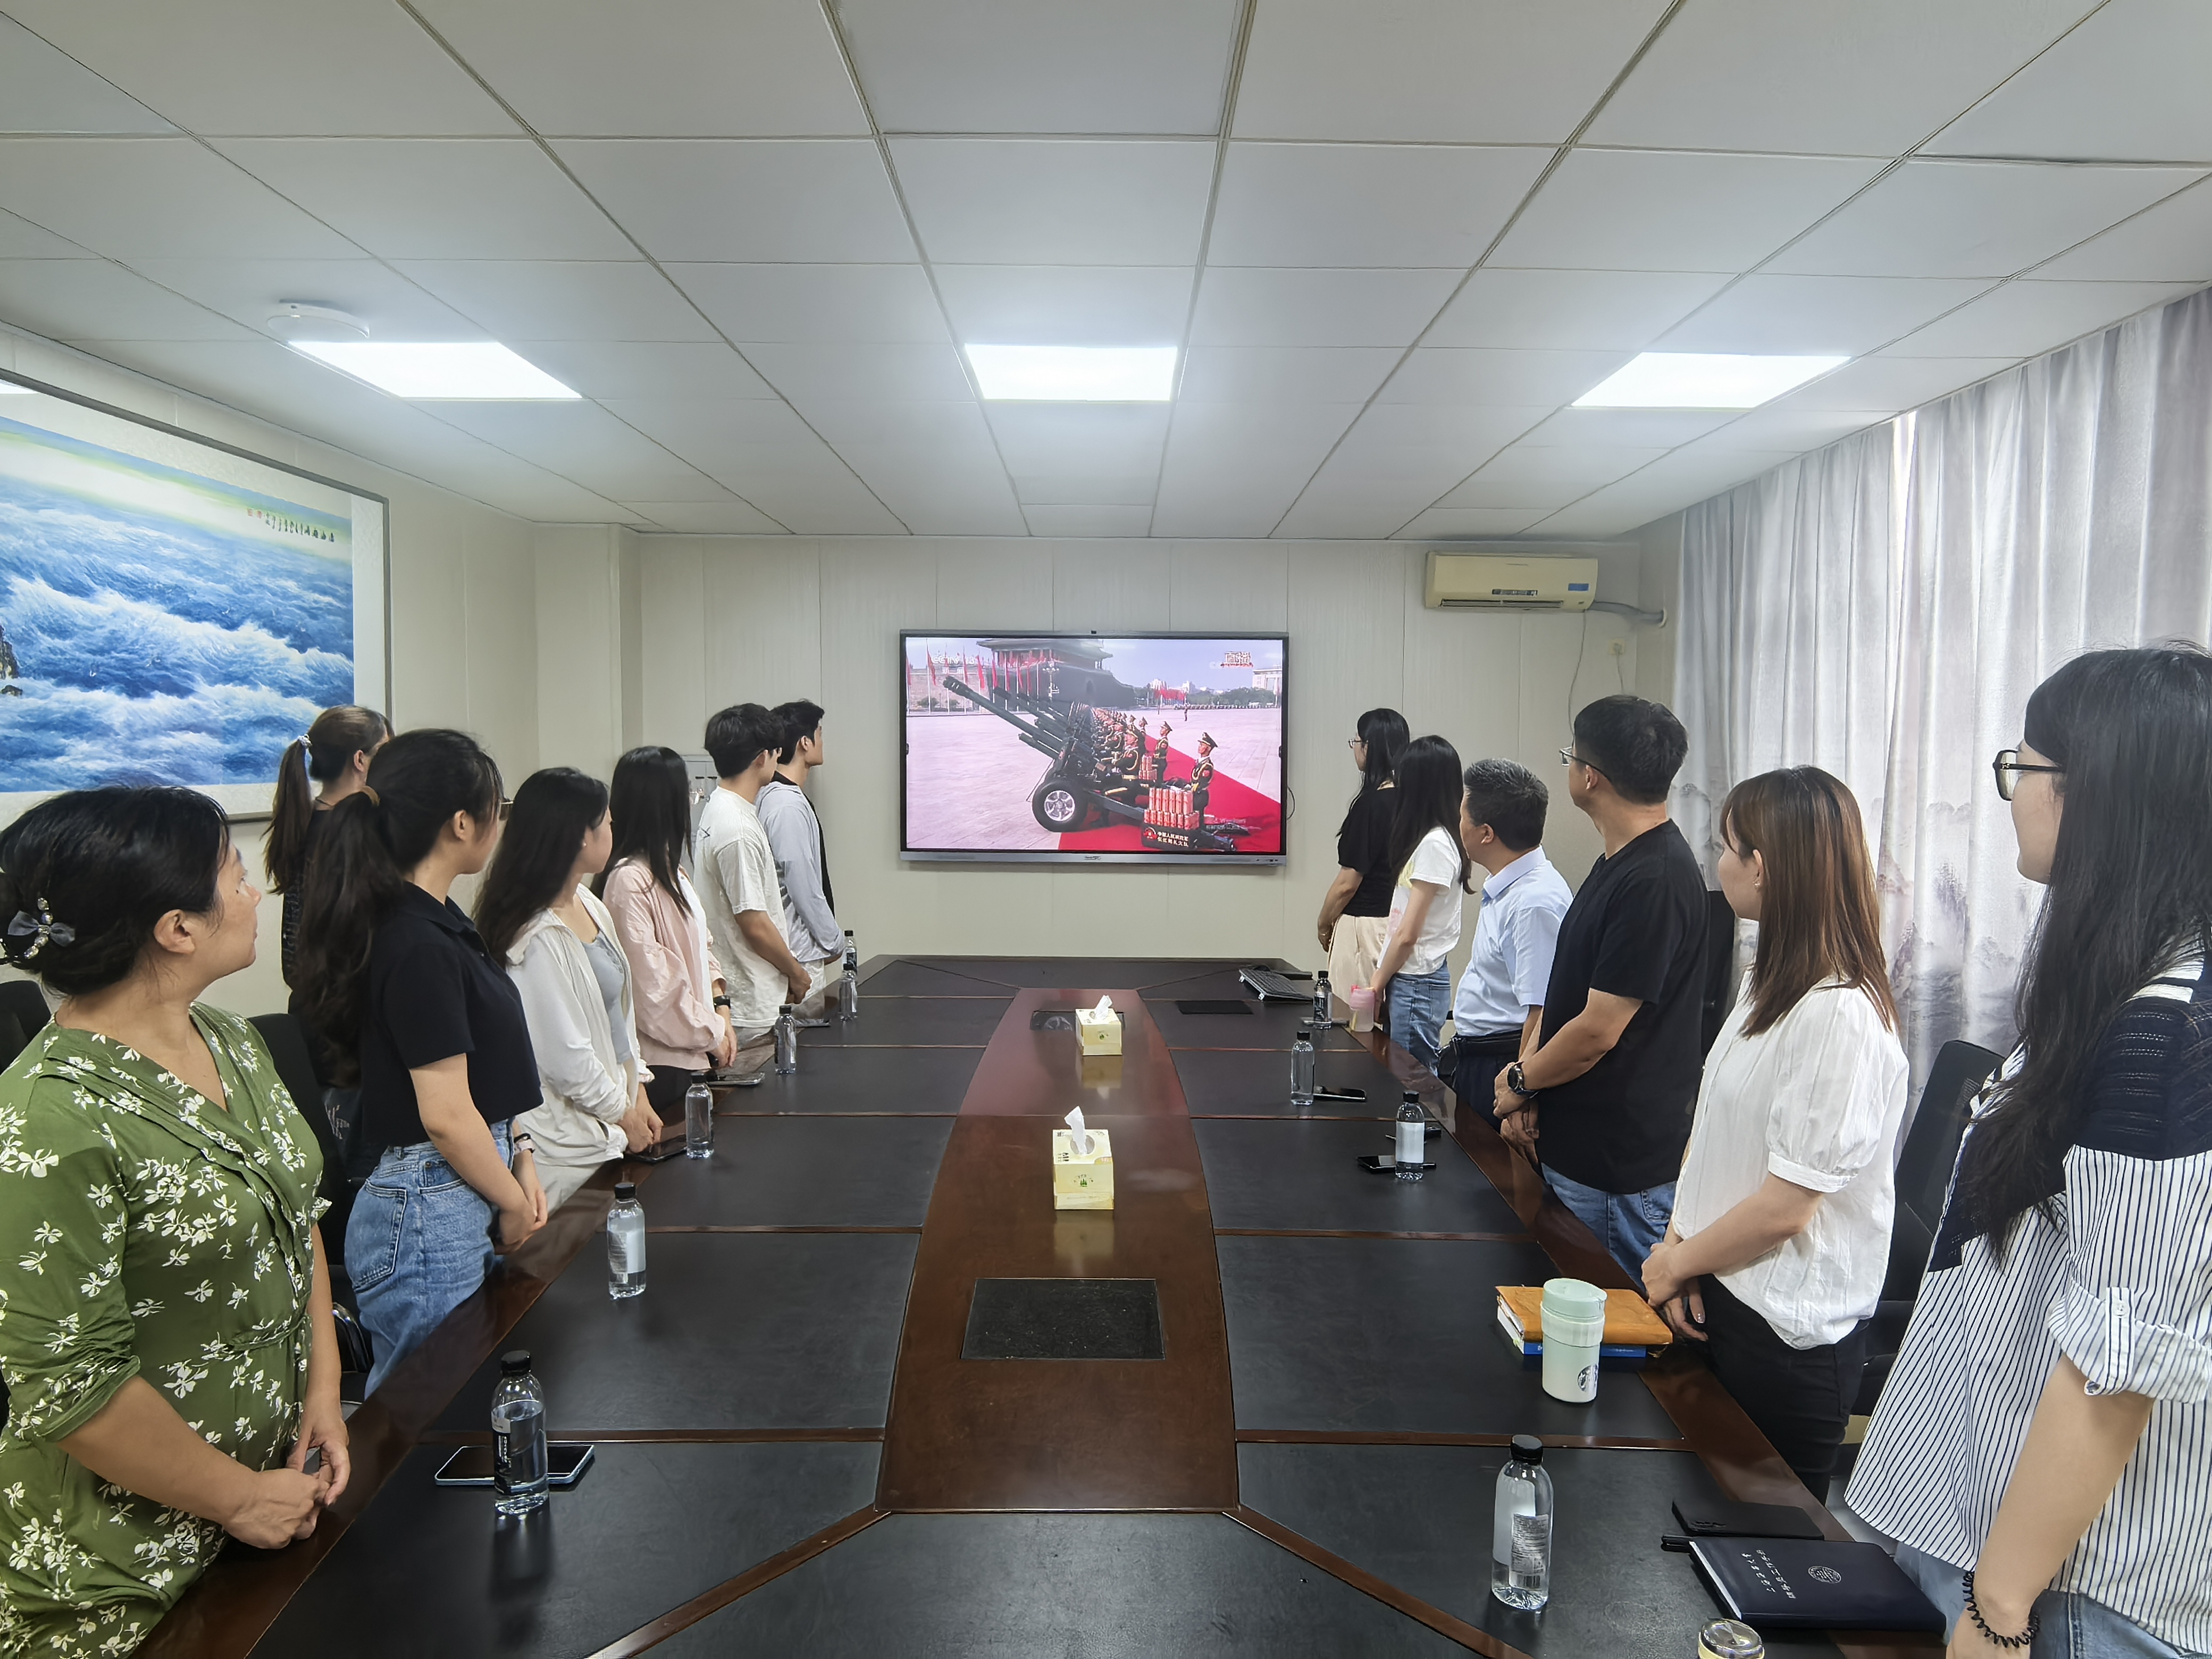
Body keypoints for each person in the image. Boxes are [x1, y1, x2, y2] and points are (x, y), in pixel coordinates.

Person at [1850, 645, 2212, 1658]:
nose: (2013, 793)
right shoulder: (2128, 994)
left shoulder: (2168, 1032)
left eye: (2026, 765)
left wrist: (1997, 1613)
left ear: (2099, 793)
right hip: (2001, 1531)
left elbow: (2118, 1366)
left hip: (2068, 1591)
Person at [0, 788, 349, 1651]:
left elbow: (294, 1215)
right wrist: (237, 1498)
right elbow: (71, 1386)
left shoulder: (233, 1042)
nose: (256, 892)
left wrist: (324, 1393)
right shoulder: (48, 1117)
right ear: (176, 929)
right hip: (124, 1573)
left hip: (276, 1501)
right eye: (236, 874)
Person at [1640, 767, 1907, 1500]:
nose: (1717, 863)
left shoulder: (1838, 1013)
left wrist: (1674, 1263)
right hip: (1717, 1288)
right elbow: (1718, 1133)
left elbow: (1788, 1207)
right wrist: (1679, 1248)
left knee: (1765, 1556)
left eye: (1727, 847)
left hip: (1782, 1339)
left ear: (1762, 865)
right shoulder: (1769, 978)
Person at [294, 730, 546, 1394]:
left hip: (458, 1184)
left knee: (459, 1402)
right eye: (498, 805)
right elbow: (444, 1114)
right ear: (462, 823)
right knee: (426, 1421)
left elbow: (481, 1084)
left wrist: (519, 1150)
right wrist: (513, 1199)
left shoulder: (437, 921)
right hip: (428, 1207)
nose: (501, 820)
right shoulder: (414, 940)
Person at [1494, 695, 1707, 1277]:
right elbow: (1568, 992)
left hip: (1617, 1164)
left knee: (1615, 1330)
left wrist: (1519, 1080)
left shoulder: (1654, 879)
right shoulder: (1619, 860)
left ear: (1589, 776)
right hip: (1580, 1143)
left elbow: (1596, 1030)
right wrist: (1536, 1088)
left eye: (1570, 757)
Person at [475, 768, 661, 1211]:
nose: (614, 829)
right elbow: (566, 1058)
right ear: (581, 836)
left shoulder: (589, 903)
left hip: (610, 1123)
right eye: (608, 821)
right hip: (568, 1148)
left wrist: (639, 1092)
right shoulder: (534, 936)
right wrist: (623, 1112)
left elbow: (620, 1016)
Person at [598, 745, 736, 1117]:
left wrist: (721, 1011)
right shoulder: (629, 880)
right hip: (664, 1065)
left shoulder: (673, 872)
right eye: (687, 793)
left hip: (695, 1052)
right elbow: (653, 994)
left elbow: (703, 949)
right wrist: (713, 1032)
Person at [1448, 758, 1572, 1117]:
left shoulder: (1534, 902)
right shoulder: (1509, 887)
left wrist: (1520, 1098)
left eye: (1462, 819)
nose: (1459, 827)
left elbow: (1543, 1010)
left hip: (1504, 1065)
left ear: (1486, 833)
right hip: (1482, 1059)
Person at [698, 703, 826, 1043]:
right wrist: (796, 973)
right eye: (775, 752)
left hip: (748, 992)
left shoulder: (721, 807)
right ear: (761, 757)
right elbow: (753, 921)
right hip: (749, 1004)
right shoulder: (736, 827)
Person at [1368, 735, 1472, 1077]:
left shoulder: (1436, 845)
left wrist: (1376, 984)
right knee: (1407, 1078)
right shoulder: (1432, 839)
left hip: (1417, 981)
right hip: (1411, 978)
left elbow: (1409, 934)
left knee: (1413, 1084)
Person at [266, 704, 389, 991]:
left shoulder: (305, 819)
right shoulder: (359, 831)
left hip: (313, 996)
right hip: (347, 1005)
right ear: (361, 760)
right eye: (385, 751)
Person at [1319, 708, 1409, 1034]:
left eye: (1357, 741)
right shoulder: (1412, 801)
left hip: (1363, 929)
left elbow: (1347, 883)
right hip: (1397, 927)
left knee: (1354, 1030)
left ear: (1370, 747)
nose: (1355, 748)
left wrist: (1324, 922)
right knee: (1385, 1031)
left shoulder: (1371, 804)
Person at [759, 699, 843, 982]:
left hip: (793, 949)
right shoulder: (786, 805)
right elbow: (802, 883)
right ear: (805, 743)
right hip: (798, 953)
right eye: (819, 734)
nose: (822, 741)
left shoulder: (779, 797)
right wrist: (833, 940)